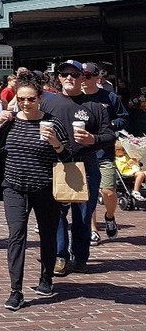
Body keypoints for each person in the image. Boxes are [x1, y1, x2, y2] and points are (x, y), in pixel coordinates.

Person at [0, 72, 72, 311]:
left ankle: (46, 278)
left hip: (45, 187)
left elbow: (68, 158)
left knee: (47, 234)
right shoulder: (10, 120)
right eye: (22, 99)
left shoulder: (53, 123)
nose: (26, 103)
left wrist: (56, 142)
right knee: (16, 235)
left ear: (40, 98)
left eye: (31, 99)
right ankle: (16, 290)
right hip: (13, 186)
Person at [44, 60, 113, 277]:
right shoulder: (48, 104)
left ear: (83, 78)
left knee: (83, 215)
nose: (69, 78)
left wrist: (93, 139)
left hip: (86, 163)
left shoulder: (94, 107)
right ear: (59, 78)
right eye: (65, 74)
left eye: (74, 74)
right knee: (57, 213)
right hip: (57, 164)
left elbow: (109, 135)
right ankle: (61, 256)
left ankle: (81, 256)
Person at [83, 62, 129, 243]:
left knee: (108, 191)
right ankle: (92, 229)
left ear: (97, 78)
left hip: (104, 151)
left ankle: (110, 217)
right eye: (82, 76)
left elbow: (123, 118)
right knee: (88, 192)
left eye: (88, 76)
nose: (84, 80)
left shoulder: (109, 97)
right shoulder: (75, 98)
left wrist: (111, 125)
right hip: (84, 152)